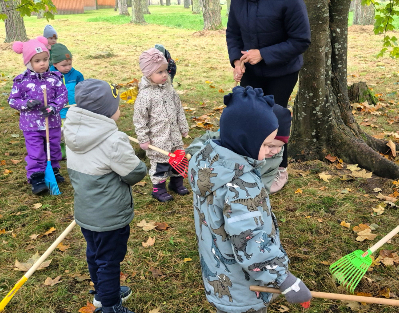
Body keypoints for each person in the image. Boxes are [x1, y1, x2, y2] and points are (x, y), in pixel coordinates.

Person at [189, 86, 311, 313]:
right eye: (265, 145)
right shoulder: (241, 186)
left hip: (220, 273)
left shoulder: (209, 163)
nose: (268, 154)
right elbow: (250, 239)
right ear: (246, 139)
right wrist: (284, 279)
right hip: (244, 285)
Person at [226, 0, 311, 181]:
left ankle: (278, 169)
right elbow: (233, 31)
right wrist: (236, 59)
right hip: (252, 70)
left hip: (282, 71)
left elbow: (301, 40)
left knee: (275, 119)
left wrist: (263, 53)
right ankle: (252, 163)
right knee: (247, 115)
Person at [64, 79, 146, 313]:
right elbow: (134, 173)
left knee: (95, 253)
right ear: (107, 112)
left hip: (86, 211)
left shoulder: (72, 131)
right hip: (109, 216)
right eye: (117, 105)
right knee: (109, 260)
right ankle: (110, 306)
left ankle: (102, 292)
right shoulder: (113, 140)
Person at [186, 104, 291, 194]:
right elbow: (208, 138)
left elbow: (265, 182)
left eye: (281, 146)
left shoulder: (275, 156)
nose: (275, 151)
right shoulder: (232, 139)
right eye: (270, 145)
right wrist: (192, 153)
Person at [8, 36, 68, 195]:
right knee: (36, 151)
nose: (42, 63)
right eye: (37, 61)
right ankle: (36, 176)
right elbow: (13, 100)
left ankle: (53, 170)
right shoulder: (21, 81)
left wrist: (54, 107)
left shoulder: (55, 79)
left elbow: (63, 96)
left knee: (53, 147)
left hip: (52, 123)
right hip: (31, 126)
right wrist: (26, 104)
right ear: (29, 63)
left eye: (45, 59)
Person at [133, 48, 190, 202]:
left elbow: (178, 109)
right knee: (161, 165)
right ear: (148, 74)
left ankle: (176, 183)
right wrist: (143, 138)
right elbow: (140, 119)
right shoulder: (145, 95)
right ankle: (159, 189)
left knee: (178, 159)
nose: (165, 75)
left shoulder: (170, 90)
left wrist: (183, 127)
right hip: (158, 139)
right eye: (159, 72)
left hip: (174, 136)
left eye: (165, 71)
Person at [50, 43, 85, 159]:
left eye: (69, 64)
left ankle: (72, 148)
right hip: (57, 110)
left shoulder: (77, 75)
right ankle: (60, 148)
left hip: (73, 108)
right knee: (59, 131)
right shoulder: (50, 76)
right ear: (54, 64)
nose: (68, 67)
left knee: (72, 129)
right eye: (64, 65)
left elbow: (82, 89)